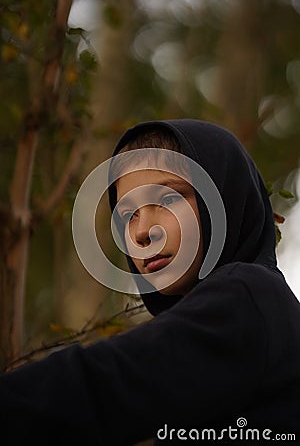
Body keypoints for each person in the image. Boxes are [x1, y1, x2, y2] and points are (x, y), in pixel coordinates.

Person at [0, 119, 300, 446]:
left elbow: (104, 384)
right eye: (129, 215)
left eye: (168, 199)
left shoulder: (249, 296)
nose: (142, 232)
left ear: (224, 199)